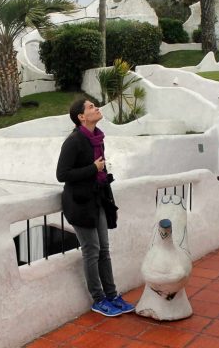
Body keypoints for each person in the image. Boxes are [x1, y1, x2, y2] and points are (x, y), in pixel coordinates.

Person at [56, 98, 135, 317]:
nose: (96, 108)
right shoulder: (74, 141)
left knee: (104, 250)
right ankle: (98, 299)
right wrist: (93, 167)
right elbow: (62, 174)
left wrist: (98, 171)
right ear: (81, 117)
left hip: (97, 199)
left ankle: (112, 295)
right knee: (92, 251)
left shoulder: (97, 138)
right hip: (80, 204)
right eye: (90, 107)